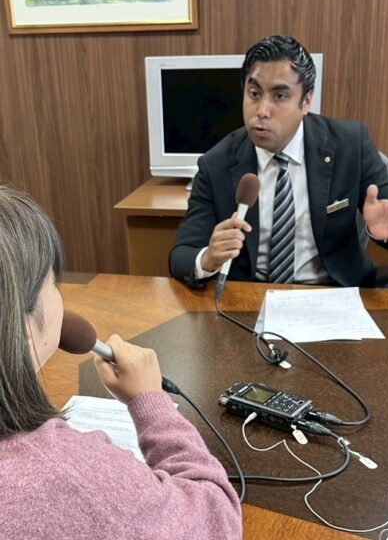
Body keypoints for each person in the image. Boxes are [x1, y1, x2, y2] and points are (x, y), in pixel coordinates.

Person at [0, 185, 242, 539]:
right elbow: (216, 519)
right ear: (18, 324)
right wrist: (152, 405)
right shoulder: (73, 476)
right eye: (54, 283)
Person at [169, 35, 388, 288]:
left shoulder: (350, 144)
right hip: (251, 297)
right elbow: (181, 256)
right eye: (254, 93)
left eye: (279, 96)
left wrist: (377, 229)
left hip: (332, 292)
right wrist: (208, 259)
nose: (262, 111)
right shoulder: (216, 164)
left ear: (306, 101)